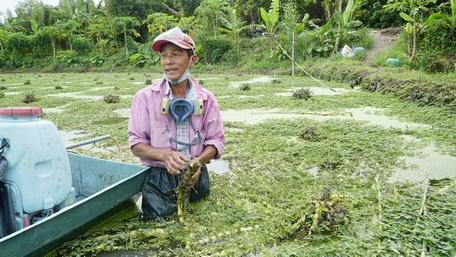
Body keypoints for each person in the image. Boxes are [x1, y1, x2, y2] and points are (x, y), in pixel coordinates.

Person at [128, 27, 225, 220]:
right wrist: (164, 156)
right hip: (159, 179)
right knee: (157, 230)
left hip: (197, 175)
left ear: (192, 60)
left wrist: (198, 162)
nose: (168, 61)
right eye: (163, 56)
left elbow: (216, 141)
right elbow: (136, 144)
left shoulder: (207, 99)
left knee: (201, 222)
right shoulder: (145, 97)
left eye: (176, 54)